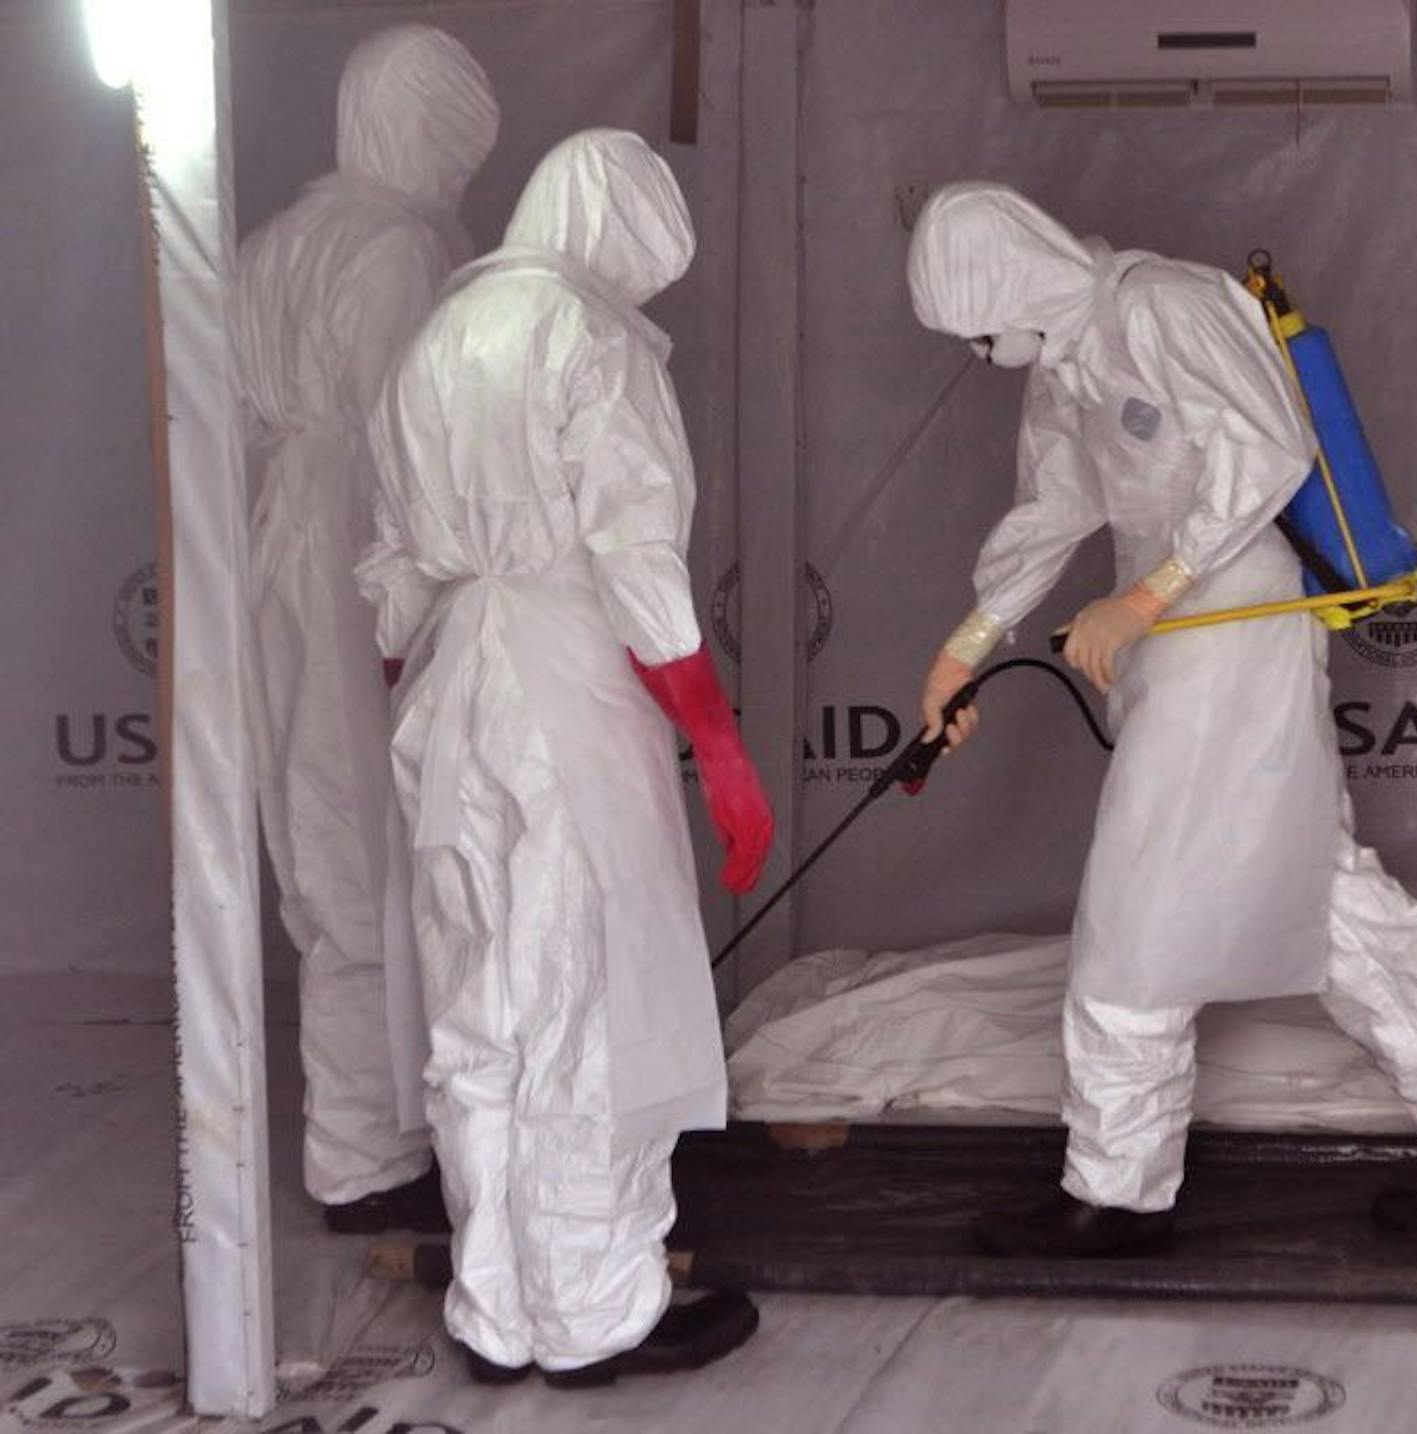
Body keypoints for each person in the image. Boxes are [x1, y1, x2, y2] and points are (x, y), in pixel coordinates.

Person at [907, 182, 1417, 1259]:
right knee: (1317, 885)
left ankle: (1116, 1188)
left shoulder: (1166, 303)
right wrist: (963, 648)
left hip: (1234, 628)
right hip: (1173, 640)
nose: (980, 354)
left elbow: (1270, 447)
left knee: (1135, 905)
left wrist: (1144, 597)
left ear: (1014, 281)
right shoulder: (1065, 362)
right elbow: (1052, 508)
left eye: (979, 331)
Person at [362, 128, 774, 1386]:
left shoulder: (432, 339)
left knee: (478, 1008)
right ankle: (594, 1314)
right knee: (588, 1003)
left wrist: (422, 693)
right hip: (566, 693)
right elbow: (637, 557)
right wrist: (718, 744)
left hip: (452, 692)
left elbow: (391, 572)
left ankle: (495, 1311)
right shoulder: (589, 339)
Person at [231, 23, 498, 1235]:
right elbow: (416, 435)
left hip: (275, 549)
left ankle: (356, 1144)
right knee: (394, 843)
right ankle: (400, 1142)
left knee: (321, 836)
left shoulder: (270, 242)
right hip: (366, 557)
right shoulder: (398, 245)